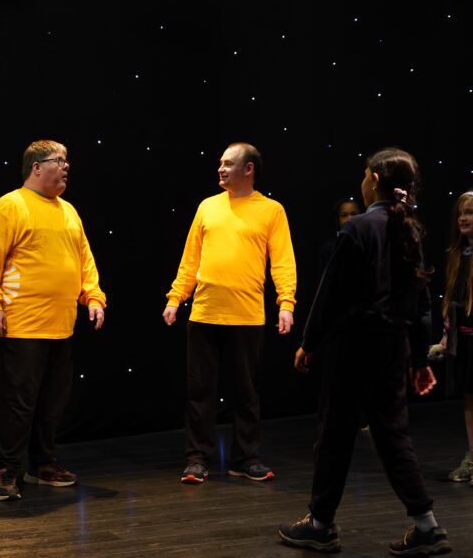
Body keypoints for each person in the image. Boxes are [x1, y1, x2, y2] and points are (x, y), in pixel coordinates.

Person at [278, 148, 451, 556]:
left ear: (373, 178)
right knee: (392, 435)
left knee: (334, 434)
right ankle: (426, 526)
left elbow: (330, 294)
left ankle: (320, 524)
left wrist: (309, 342)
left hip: (353, 346)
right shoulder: (409, 228)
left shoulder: (358, 228)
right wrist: (418, 359)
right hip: (392, 347)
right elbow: (420, 303)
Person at [0, 140, 106, 501]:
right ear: (36, 167)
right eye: (59, 161)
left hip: (60, 324)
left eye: (67, 160)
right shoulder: (10, 205)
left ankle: (42, 464)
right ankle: (6, 470)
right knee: (19, 403)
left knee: (52, 402)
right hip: (22, 324)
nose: (66, 167)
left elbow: (84, 260)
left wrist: (93, 296)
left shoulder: (68, 211)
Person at [163, 142, 297, 484]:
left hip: (247, 316)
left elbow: (282, 261)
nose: (220, 169)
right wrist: (176, 298)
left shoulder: (271, 210)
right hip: (206, 313)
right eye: (219, 163)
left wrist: (286, 303)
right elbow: (190, 258)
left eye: (228, 164)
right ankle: (197, 458)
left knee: (246, 392)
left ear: (248, 168)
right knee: (199, 391)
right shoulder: (207, 207)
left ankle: (245, 458)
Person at [441, 190, 473, 484]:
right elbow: (454, 301)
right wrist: (444, 336)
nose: (464, 218)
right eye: (462, 213)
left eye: (471, 213)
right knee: (469, 397)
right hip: (464, 339)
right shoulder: (458, 255)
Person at [318, 198, 361, 274]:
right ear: (337, 220)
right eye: (344, 215)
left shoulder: (369, 243)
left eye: (354, 214)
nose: (349, 219)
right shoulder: (328, 248)